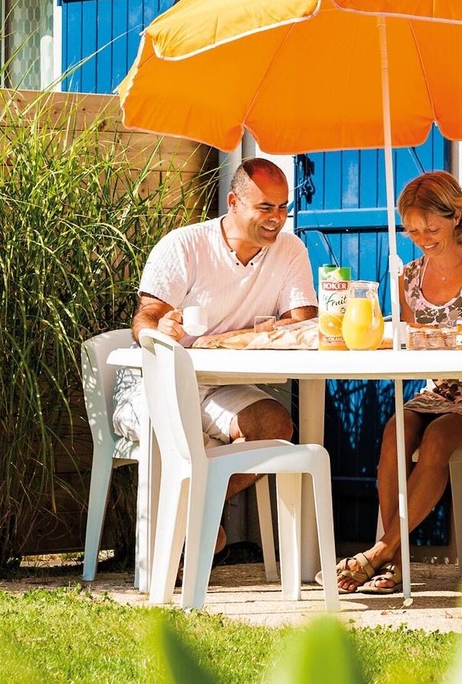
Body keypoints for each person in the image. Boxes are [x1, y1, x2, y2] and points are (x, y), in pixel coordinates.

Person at [328, 171, 462, 595]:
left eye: (432, 227)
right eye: (413, 230)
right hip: (442, 389)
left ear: (456, 217)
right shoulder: (408, 277)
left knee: (436, 439)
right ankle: (394, 563)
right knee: (393, 435)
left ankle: (381, 550)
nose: (423, 237)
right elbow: (416, 345)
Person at [111, 157, 318, 555]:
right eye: (265, 207)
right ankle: (189, 534)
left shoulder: (290, 250)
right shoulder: (184, 245)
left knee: (275, 425)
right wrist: (162, 330)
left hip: (221, 385)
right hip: (158, 383)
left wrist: (237, 336)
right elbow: (144, 319)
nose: (277, 218)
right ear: (233, 202)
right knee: (178, 434)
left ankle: (198, 509)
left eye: (282, 207)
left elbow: (302, 323)